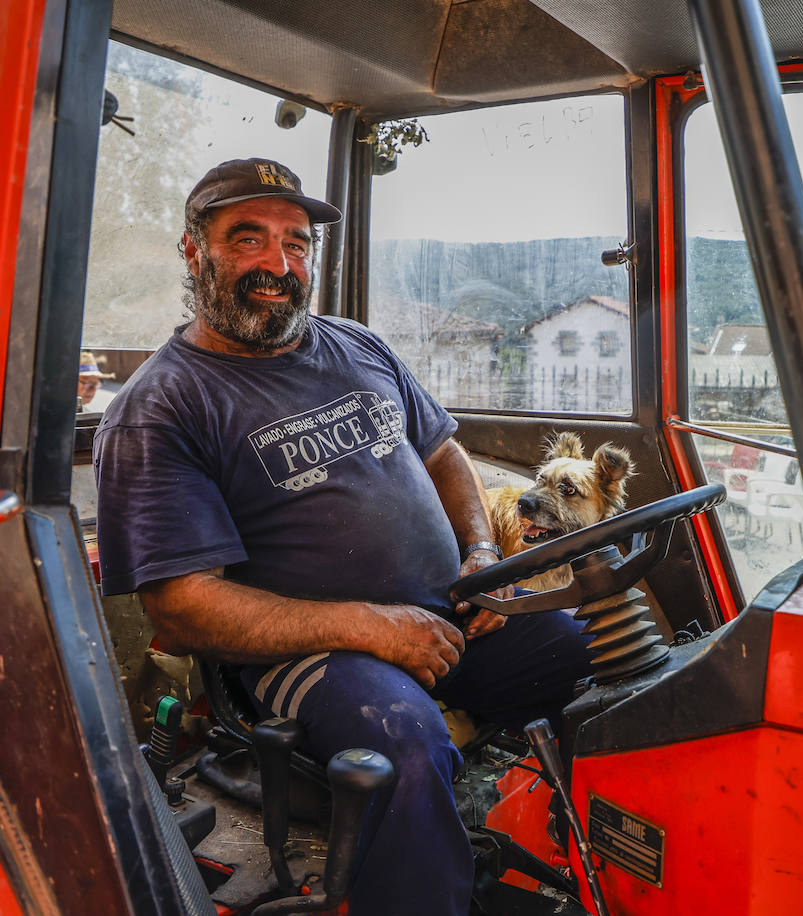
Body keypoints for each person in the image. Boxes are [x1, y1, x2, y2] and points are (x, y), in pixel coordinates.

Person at [93, 158, 595, 915]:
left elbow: (443, 452)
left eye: (295, 244)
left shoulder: (358, 345)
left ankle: (578, 853)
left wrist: (482, 559)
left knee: (588, 657)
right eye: (248, 239)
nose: (278, 264)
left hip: (451, 611)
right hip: (311, 652)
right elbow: (181, 608)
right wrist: (372, 627)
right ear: (194, 251)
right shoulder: (162, 407)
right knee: (404, 745)